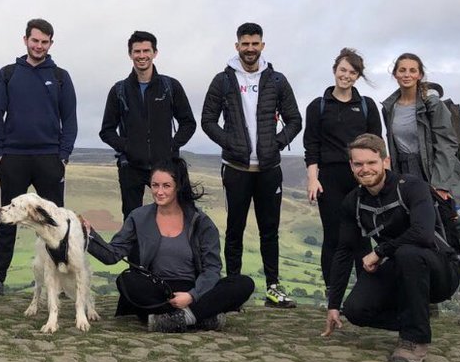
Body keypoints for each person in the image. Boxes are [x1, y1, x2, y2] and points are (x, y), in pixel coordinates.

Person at [322, 134, 460, 362]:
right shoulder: (353, 202)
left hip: (441, 269)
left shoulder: (412, 187)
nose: (365, 169)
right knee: (356, 310)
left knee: (407, 253)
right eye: (358, 164)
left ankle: (414, 341)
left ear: (385, 162)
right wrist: (334, 306)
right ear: (351, 165)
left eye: (371, 162)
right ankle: (415, 318)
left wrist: (379, 251)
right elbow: (344, 250)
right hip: (399, 268)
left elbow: (423, 234)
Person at [85, 158, 254, 332]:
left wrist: (191, 296)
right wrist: (87, 235)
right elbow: (111, 255)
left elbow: (212, 269)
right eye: (155, 185)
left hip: (194, 290)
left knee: (243, 283)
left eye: (166, 186)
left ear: (178, 186)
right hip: (157, 292)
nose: (159, 191)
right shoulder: (138, 217)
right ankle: (201, 317)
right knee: (126, 280)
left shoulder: (201, 222)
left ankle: (178, 319)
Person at [200, 22, 302, 308]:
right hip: (236, 167)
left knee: (270, 229)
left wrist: (278, 142)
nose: (250, 49)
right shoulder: (223, 80)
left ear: (262, 45)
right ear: (237, 46)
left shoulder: (277, 80)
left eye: (255, 43)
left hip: (269, 168)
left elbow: (295, 119)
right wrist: (230, 142)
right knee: (234, 228)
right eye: (245, 44)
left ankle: (273, 288)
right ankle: (233, 291)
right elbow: (208, 120)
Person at [0, 19, 78, 299]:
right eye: (35, 41)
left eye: (44, 42)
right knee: (7, 219)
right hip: (14, 158)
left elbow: (69, 119)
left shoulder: (60, 76)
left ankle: (62, 282)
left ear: (51, 44)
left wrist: (63, 157)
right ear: (25, 40)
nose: (39, 46)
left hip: (49, 158)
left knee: (56, 222)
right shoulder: (8, 74)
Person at [304, 48, 382, 298]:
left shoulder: (367, 105)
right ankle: (333, 292)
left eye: (352, 72)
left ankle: (365, 291)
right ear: (334, 70)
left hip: (363, 176)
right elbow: (311, 145)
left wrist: (382, 179)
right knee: (334, 236)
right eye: (343, 70)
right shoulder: (318, 106)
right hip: (330, 177)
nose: (346, 76)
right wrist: (313, 179)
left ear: (357, 76)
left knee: (364, 234)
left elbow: (378, 144)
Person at [99, 31, 196, 218]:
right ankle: (133, 249)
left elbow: (188, 123)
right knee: (132, 220)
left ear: (155, 53)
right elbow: (107, 130)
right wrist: (128, 147)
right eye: (137, 51)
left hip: (166, 165)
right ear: (130, 54)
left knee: (176, 216)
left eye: (146, 51)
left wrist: (171, 146)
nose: (141, 56)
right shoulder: (119, 90)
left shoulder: (170, 86)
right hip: (131, 167)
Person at [380, 53, 460, 206]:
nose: (407, 75)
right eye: (402, 70)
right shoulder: (389, 108)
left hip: (431, 172)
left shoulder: (432, 104)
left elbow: (446, 144)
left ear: (420, 75)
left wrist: (440, 184)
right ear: (395, 74)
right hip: (404, 173)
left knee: (440, 224)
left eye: (412, 71)